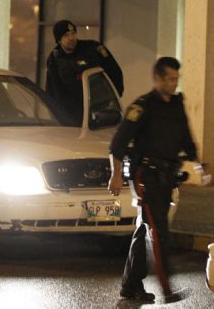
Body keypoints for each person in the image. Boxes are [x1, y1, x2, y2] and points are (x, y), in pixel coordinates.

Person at [108, 57, 206, 304]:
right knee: (159, 230)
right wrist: (116, 175)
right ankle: (167, 288)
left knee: (144, 227)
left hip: (167, 177)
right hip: (146, 176)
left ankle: (130, 285)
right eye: (170, 78)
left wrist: (199, 166)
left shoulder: (176, 105)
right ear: (158, 79)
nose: (174, 83)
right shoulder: (142, 107)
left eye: (176, 78)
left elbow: (186, 137)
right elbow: (117, 145)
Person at [45, 19, 124, 125]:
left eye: (73, 33)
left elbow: (114, 71)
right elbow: (52, 90)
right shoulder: (55, 59)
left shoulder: (92, 49)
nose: (71, 38)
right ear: (58, 40)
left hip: (98, 110)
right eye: (66, 36)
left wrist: (113, 99)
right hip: (70, 116)